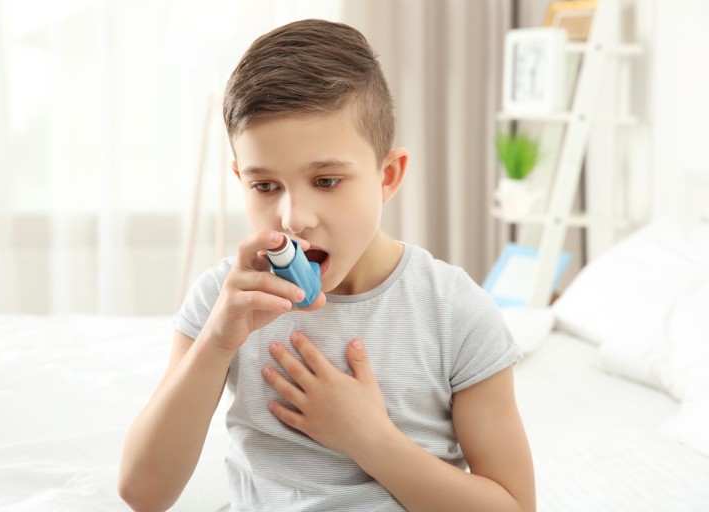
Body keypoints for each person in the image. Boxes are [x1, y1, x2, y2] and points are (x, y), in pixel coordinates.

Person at [119, 18, 535, 512]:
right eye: (264, 186)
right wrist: (217, 341)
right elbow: (143, 493)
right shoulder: (223, 300)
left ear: (388, 175)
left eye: (327, 181)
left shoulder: (455, 312)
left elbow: (514, 506)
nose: (294, 217)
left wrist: (369, 439)